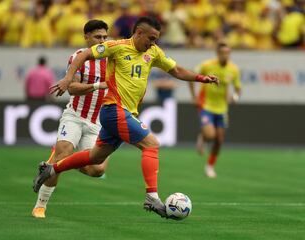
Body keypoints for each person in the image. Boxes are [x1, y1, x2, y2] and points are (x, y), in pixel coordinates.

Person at [33, 16, 219, 219]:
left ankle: (52, 168)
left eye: (156, 39)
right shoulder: (117, 47)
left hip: (116, 114)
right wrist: (68, 78)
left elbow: (176, 70)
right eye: (151, 38)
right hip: (113, 109)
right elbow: (84, 55)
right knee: (151, 144)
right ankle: (152, 196)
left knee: (96, 162)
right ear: (138, 33)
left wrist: (202, 78)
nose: (153, 43)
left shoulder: (153, 52)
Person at [32, 19, 110, 218]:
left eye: (104, 37)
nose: (102, 41)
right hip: (74, 116)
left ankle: (62, 162)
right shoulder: (78, 57)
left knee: (98, 170)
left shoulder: (112, 58)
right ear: (86, 37)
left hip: (96, 122)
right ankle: (40, 206)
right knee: (61, 155)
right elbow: (72, 88)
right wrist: (96, 85)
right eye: (97, 37)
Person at [189, 41, 241, 178]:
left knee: (219, 140)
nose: (226, 55)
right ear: (218, 53)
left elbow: (237, 88)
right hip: (206, 105)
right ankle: (203, 137)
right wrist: (194, 97)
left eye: (228, 53)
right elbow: (192, 76)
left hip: (222, 108)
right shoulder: (207, 65)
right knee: (211, 135)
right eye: (223, 53)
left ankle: (209, 166)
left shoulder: (233, 69)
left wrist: (235, 97)